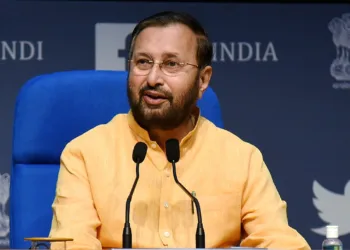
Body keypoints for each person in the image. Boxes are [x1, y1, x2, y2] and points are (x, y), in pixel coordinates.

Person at [49, 11, 311, 250]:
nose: (152, 78)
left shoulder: (242, 159)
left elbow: (281, 243)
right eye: (143, 62)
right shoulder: (84, 153)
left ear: (203, 80)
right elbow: (72, 245)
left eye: (171, 64)